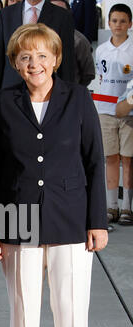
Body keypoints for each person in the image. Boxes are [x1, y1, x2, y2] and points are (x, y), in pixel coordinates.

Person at [0, 23, 108, 327]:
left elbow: (94, 161)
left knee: (71, 315)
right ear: (15, 64)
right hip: (18, 221)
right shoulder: (2, 103)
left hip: (71, 220)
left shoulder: (79, 100)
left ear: (56, 59)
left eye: (41, 55)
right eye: (25, 57)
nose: (34, 63)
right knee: (23, 314)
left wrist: (97, 221)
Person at [0, 0, 75, 104]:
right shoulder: (6, 14)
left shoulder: (62, 16)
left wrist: (67, 100)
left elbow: (67, 63)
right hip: (10, 94)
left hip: (47, 96)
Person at [96, 4, 133, 226]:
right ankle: (112, 205)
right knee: (110, 157)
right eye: (114, 21)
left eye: (122, 21)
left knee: (128, 159)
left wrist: (128, 103)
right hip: (105, 111)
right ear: (108, 23)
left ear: (130, 24)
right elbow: (101, 79)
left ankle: (128, 206)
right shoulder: (101, 50)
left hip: (128, 112)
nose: (118, 25)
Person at [51, 0, 95, 86]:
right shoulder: (38, 39)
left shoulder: (79, 40)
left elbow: (88, 74)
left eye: (61, 12)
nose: (57, 15)